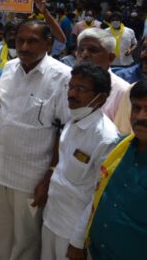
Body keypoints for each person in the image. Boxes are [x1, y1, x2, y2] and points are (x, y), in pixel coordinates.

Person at [0, 20, 71, 259]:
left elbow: (65, 130)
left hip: (32, 179)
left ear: (49, 43)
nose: (24, 46)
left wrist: (49, 176)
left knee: (26, 241)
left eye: (32, 41)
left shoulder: (62, 77)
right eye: (20, 40)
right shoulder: (10, 68)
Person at [40, 62, 119, 260]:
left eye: (81, 89)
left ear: (100, 98)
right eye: (71, 86)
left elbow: (98, 196)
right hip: (52, 218)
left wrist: (78, 240)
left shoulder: (106, 138)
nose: (72, 94)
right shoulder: (73, 119)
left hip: (72, 230)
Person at [66, 80, 147, 260]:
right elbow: (98, 197)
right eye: (136, 108)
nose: (141, 116)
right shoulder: (120, 147)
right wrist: (78, 241)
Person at [75, 28, 130, 120]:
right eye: (81, 50)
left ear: (110, 58)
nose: (84, 54)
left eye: (93, 50)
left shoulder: (123, 91)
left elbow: (122, 132)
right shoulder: (65, 81)